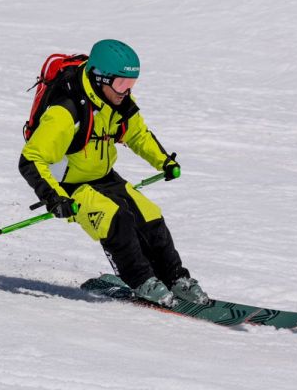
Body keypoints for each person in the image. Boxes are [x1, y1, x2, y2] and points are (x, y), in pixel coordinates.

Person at [18, 39, 208, 307]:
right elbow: (30, 159)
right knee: (116, 220)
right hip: (69, 186)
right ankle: (141, 281)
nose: (126, 91)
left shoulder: (118, 100)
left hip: (104, 175)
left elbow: (138, 135)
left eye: (131, 83)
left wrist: (164, 162)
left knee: (150, 216)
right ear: (100, 78)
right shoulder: (65, 111)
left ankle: (176, 278)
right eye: (121, 83)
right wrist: (54, 198)